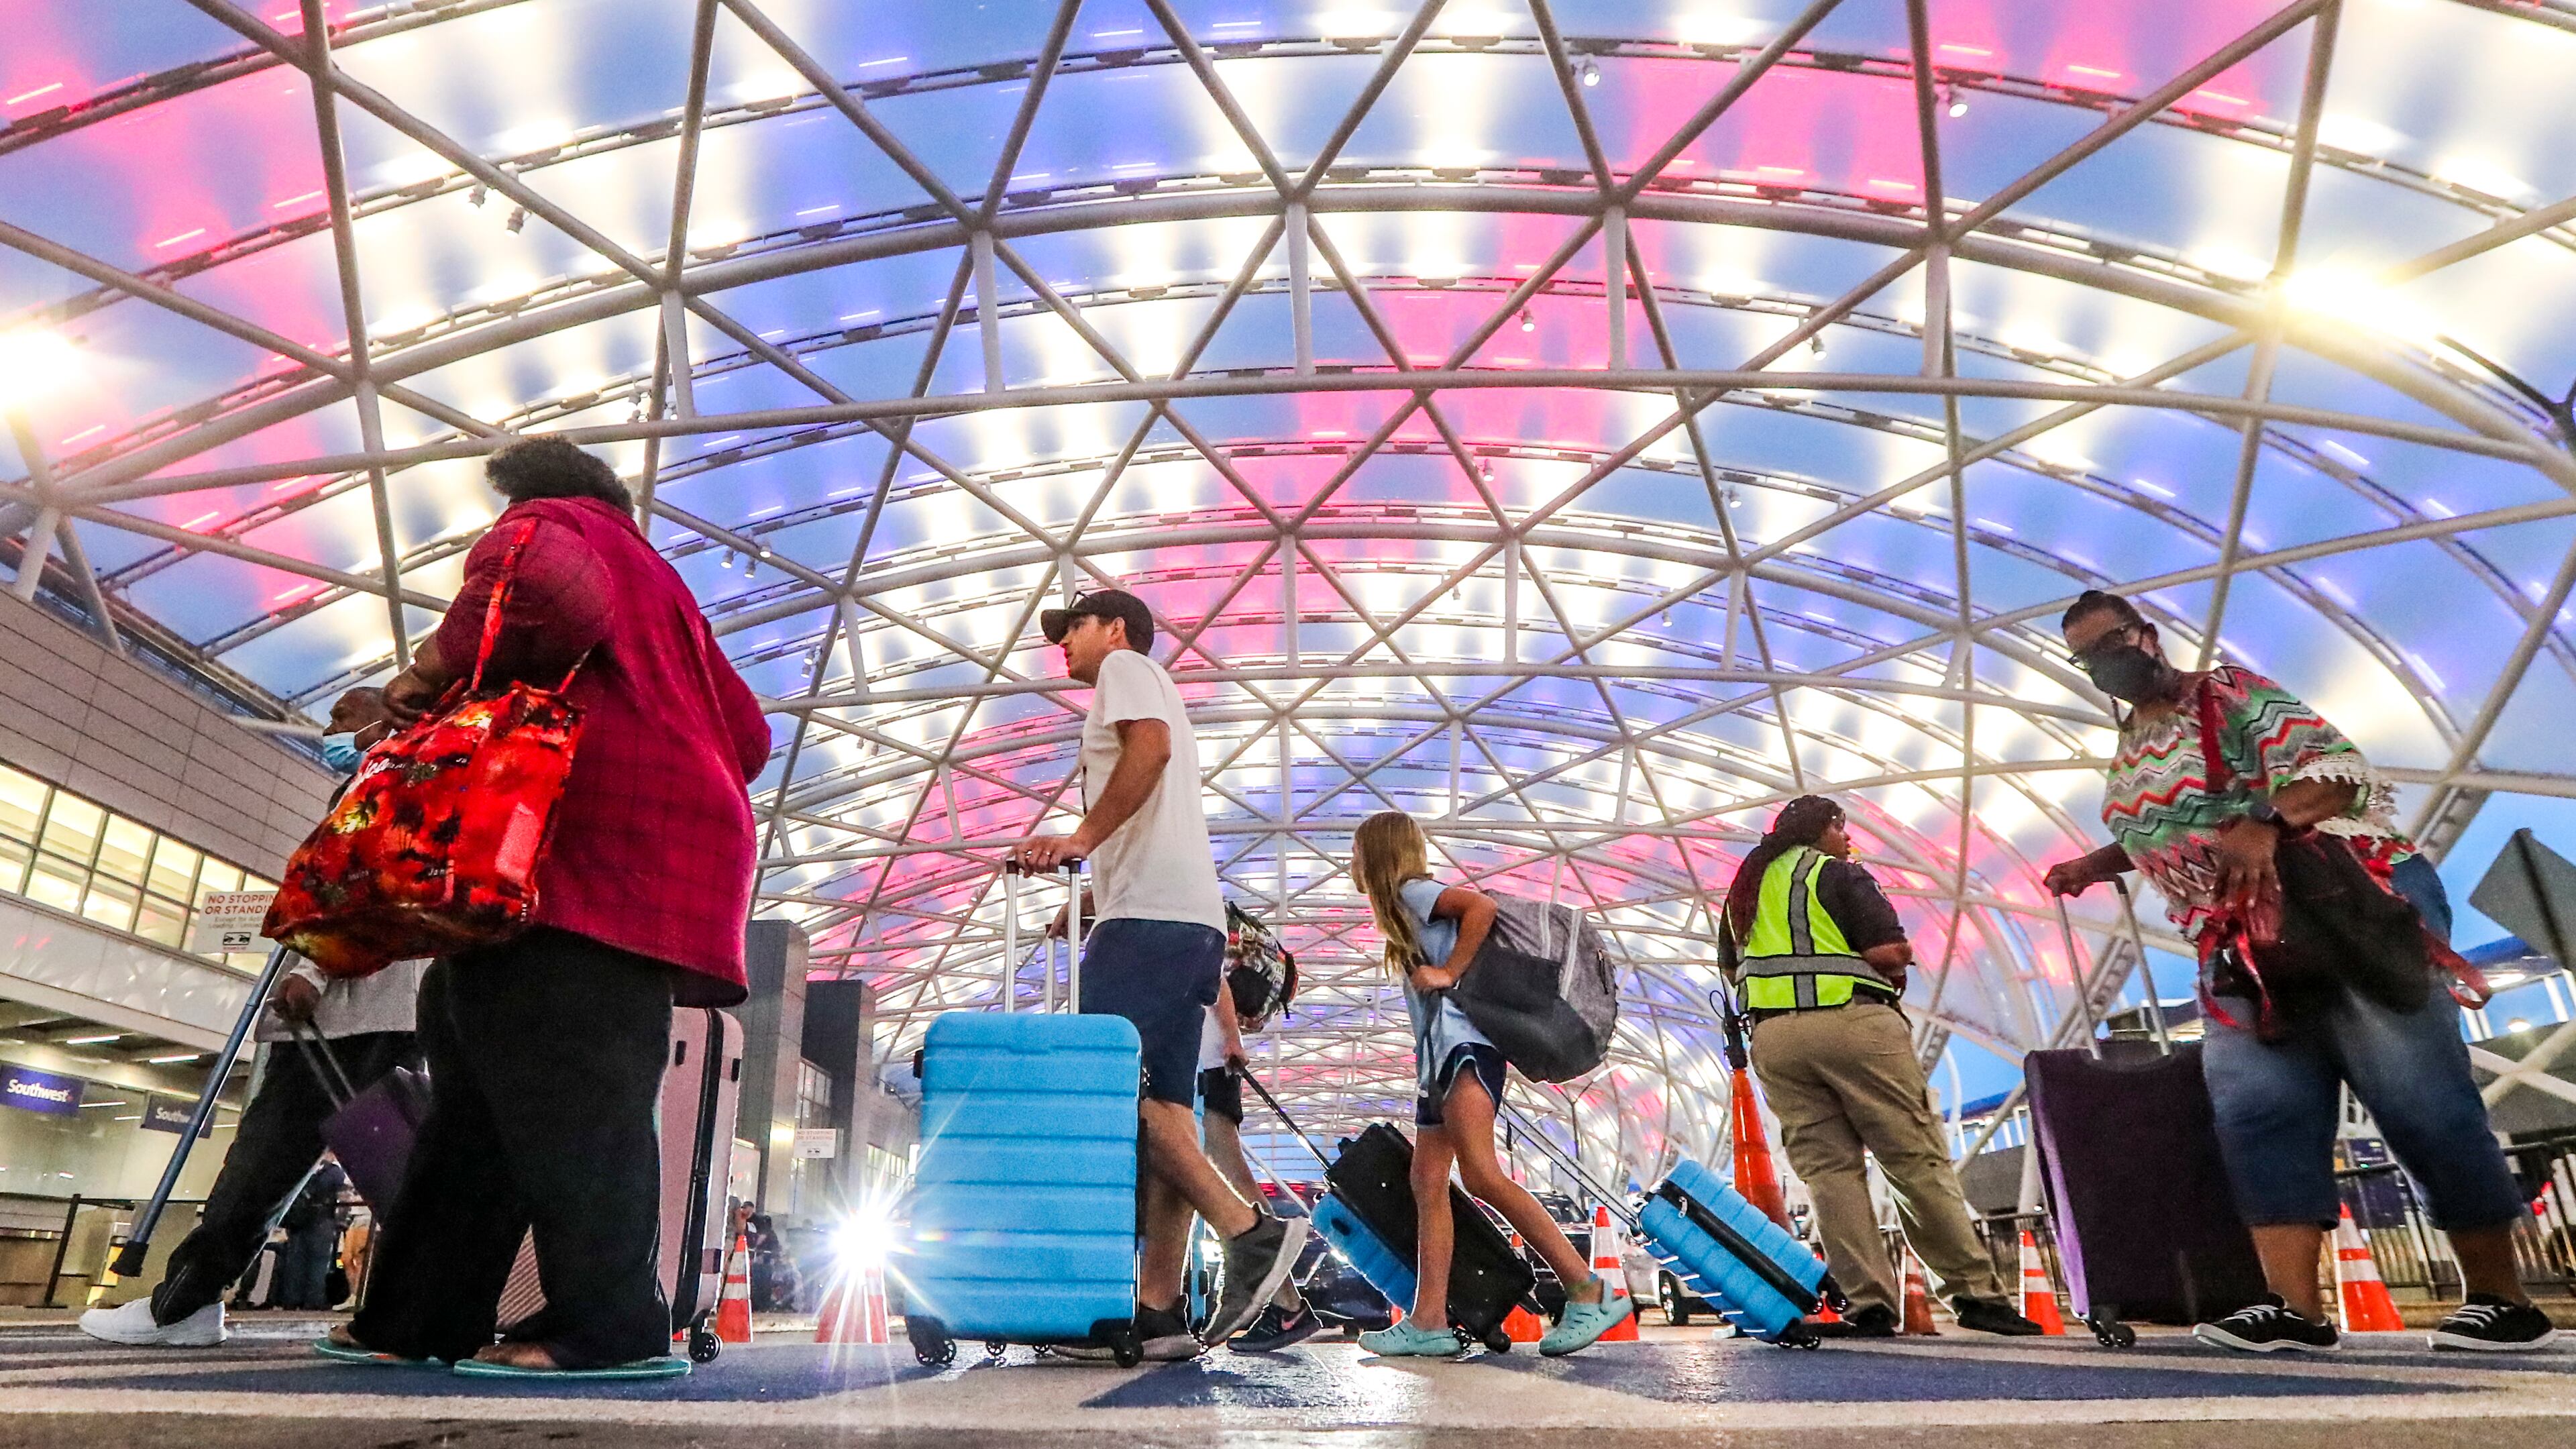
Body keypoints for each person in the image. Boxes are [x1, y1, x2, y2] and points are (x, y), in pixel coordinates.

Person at [323, 437, 772, 1377]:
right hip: (629, 868)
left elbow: (543, 591)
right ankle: (413, 1318)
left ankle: (609, 1330)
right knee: (478, 1098)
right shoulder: (667, 594)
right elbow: (751, 732)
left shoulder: (555, 527)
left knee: (580, 1101)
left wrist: (426, 675)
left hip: (574, 861)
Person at [2045, 589, 2554, 1353]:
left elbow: (2338, 770)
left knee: (2416, 1090)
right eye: (2088, 657)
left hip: (2338, 907)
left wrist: (2268, 823)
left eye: (2113, 641)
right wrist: (2096, 861)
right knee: (2257, 1111)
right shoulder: (2131, 743)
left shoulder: (2225, 694)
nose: (2106, 663)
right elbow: (2178, 824)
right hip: (2234, 944)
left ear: (2148, 634)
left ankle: (2502, 1297)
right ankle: (2294, 1308)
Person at [1016, 588, 1307, 1359]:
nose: (1063, 645)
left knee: (1116, 1095)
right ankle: (1162, 1312)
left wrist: (1078, 838)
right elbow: (1149, 813)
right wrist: (1087, 897)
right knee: (1169, 1116)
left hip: (1149, 925)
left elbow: (1149, 750)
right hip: (1179, 920)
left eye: (1072, 627)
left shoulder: (1127, 671)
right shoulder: (1145, 686)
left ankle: (1249, 1234)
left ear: (1116, 629)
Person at [1718, 794, 2041, 1339]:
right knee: (1913, 1159)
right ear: (1825, 828)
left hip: (1774, 1038)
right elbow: (1890, 952)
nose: (1849, 842)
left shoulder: (1744, 890)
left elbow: (1732, 968)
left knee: (1829, 1175)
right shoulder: (1837, 874)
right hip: (1853, 1024)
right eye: (1844, 830)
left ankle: (1868, 1304)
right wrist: (1892, 960)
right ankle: (1975, 1294)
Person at [1346, 810, 1635, 1357]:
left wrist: (1449, 971)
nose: (1350, 864)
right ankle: (1428, 1320)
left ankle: (1589, 1290)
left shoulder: (1415, 892)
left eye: (1357, 852)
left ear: (1381, 854)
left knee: (1481, 1176)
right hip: (1439, 1062)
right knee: (1427, 1181)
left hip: (1464, 1052)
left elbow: (1481, 907)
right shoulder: (1406, 916)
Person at [77, 950, 427, 1346]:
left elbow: (350, 893)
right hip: (403, 1008)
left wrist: (313, 970)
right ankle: (429, 1308)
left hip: (350, 1013)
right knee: (403, 1164)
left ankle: (183, 1305)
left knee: (263, 1166)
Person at [1197, 977, 1321, 1352]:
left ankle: (1288, 1303)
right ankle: (1288, 1305)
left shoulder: (1186, 921)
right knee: (1221, 1171)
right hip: (1206, 1059)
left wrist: (1232, 1037)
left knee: (1228, 1174)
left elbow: (1213, 974)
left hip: (1205, 1063)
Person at [273, 1155, 350, 1310]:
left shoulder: (303, 1169)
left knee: (295, 1262)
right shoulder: (337, 1173)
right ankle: (314, 1302)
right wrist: (341, 1224)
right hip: (324, 1223)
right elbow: (344, 1200)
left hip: (297, 1223)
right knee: (320, 1264)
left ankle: (292, 1301)